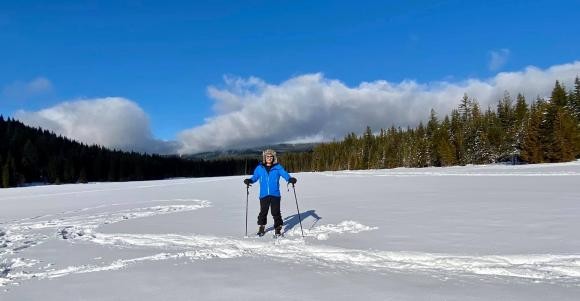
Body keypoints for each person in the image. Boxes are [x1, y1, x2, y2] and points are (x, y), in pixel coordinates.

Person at [244, 149, 297, 236]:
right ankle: (262, 226)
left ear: (274, 158)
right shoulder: (259, 168)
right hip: (263, 194)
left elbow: (285, 175)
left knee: (275, 212)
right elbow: (255, 177)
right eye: (267, 156)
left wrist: (290, 179)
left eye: (271, 156)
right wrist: (249, 180)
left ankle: (278, 227)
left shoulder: (278, 167)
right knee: (263, 212)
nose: (269, 158)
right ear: (265, 157)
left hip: (275, 194)